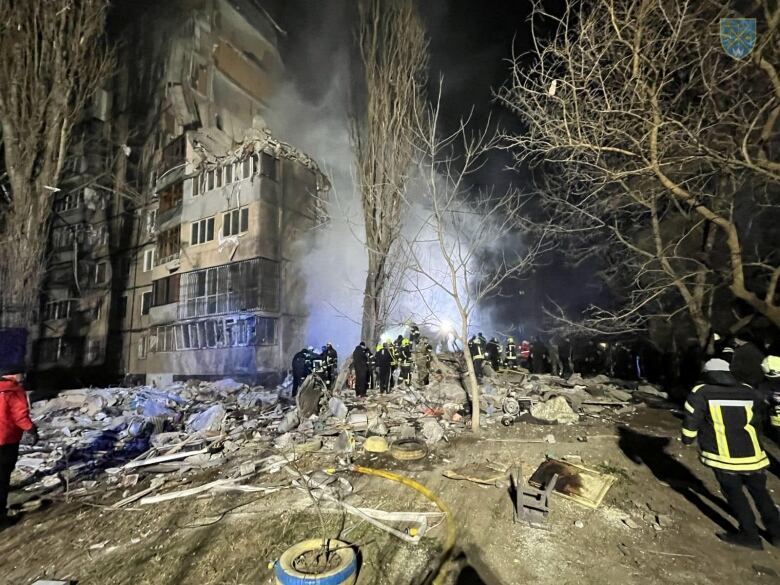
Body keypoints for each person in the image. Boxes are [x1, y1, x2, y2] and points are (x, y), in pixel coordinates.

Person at [681, 358, 780, 549]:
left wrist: (687, 439)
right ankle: (777, 534)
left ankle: (750, 536)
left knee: (736, 495)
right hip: (753, 455)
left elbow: (691, 419)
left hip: (724, 456)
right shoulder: (748, 390)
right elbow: (759, 420)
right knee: (761, 494)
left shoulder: (701, 391)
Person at [1, 366, 38, 528]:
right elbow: (20, 415)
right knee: (2, 478)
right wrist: (31, 430)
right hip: (6, 440)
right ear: (14, 374)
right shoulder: (13, 390)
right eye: (21, 373)